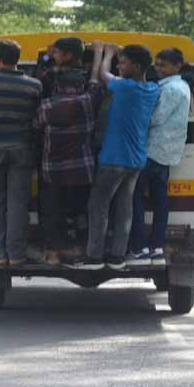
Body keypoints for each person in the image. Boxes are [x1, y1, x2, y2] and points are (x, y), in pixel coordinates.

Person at [68, 42, 160, 270]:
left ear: (137, 67)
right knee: (124, 208)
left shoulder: (126, 87)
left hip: (114, 159)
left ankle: (94, 257)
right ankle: (117, 257)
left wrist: (104, 53)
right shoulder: (152, 90)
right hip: (136, 160)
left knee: (98, 206)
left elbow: (102, 75)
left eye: (124, 62)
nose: (120, 65)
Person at [0, 40, 43, 267]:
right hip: (21, 148)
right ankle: (16, 254)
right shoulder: (34, 86)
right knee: (18, 203)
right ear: (18, 58)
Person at [35, 44, 105, 266]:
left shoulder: (46, 105)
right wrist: (100, 55)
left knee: (51, 211)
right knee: (81, 210)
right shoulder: (88, 102)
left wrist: (46, 59)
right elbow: (95, 81)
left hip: (52, 170)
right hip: (81, 170)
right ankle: (79, 248)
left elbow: (36, 125)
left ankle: (54, 253)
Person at [129, 48, 191, 266]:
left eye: (163, 65)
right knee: (160, 200)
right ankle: (155, 246)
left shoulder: (171, 89)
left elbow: (155, 118)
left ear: (177, 66)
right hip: (166, 154)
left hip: (152, 151)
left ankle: (140, 246)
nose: (158, 68)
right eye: (157, 64)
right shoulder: (181, 86)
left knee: (134, 195)